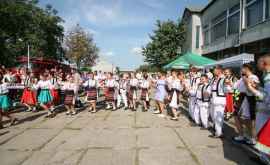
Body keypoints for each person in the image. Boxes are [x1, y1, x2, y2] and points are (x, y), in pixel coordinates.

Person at [246, 54, 270, 163]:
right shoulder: (266, 76)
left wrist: (252, 89)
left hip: (265, 112)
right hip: (264, 111)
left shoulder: (269, 78)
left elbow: (267, 98)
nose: (257, 64)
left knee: (262, 135)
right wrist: (258, 87)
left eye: (259, 62)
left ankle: (265, 159)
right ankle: (263, 158)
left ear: (264, 64)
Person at [233, 64, 259, 145]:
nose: (241, 70)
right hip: (240, 99)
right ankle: (243, 135)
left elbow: (254, 88)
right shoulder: (242, 78)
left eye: (242, 68)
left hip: (248, 100)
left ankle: (252, 137)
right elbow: (236, 88)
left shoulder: (253, 77)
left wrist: (246, 81)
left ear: (247, 69)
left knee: (249, 120)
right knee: (237, 117)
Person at [209, 65, 227, 138]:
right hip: (213, 99)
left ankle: (219, 133)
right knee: (213, 115)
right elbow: (210, 88)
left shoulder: (223, 79)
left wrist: (228, 85)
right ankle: (217, 128)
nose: (213, 71)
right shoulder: (213, 79)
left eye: (214, 69)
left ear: (219, 70)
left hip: (220, 100)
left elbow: (227, 90)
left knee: (218, 116)